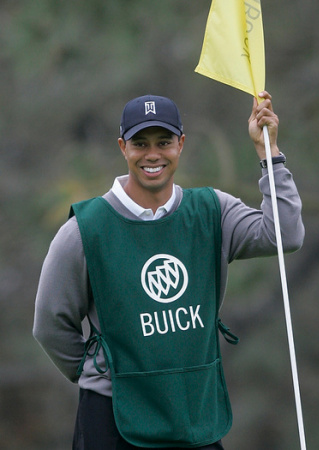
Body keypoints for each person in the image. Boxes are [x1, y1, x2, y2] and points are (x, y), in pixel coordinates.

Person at [33, 92, 304, 450]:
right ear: (122, 147)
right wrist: (100, 373)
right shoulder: (85, 229)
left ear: (181, 144)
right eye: (140, 143)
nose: (152, 154)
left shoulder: (212, 211)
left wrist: (269, 153)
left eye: (164, 142)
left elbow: (285, 233)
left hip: (194, 413)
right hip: (113, 417)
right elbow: (49, 324)